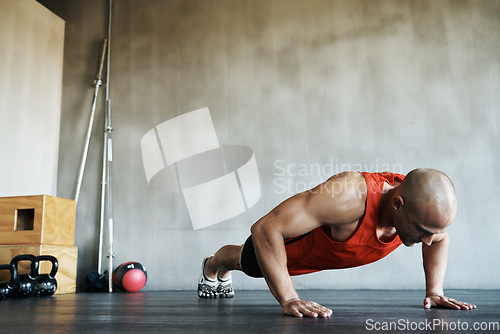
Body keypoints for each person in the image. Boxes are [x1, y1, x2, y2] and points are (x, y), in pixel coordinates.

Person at [197, 169, 477, 317]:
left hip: (316, 258)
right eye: (422, 231)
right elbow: (265, 227)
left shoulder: (420, 211)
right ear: (397, 205)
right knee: (243, 261)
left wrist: (435, 291)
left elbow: (439, 239)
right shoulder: (348, 196)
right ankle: (212, 266)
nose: (429, 239)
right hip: (282, 253)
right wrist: (290, 299)